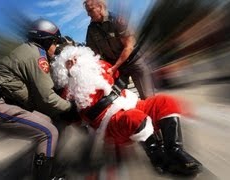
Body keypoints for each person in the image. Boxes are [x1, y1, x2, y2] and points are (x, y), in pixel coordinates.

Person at [51, 46, 202, 175]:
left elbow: (117, 75)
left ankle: (174, 150)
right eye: (69, 62)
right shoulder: (68, 92)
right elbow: (72, 119)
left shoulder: (102, 67)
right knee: (134, 118)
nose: (75, 62)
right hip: (110, 122)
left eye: (76, 57)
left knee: (164, 101)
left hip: (131, 103)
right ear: (64, 70)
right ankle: (160, 160)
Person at [0, 18, 76, 180]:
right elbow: (47, 98)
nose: (56, 48)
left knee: (48, 122)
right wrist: (70, 107)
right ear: (47, 41)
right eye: (55, 42)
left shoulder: (29, 51)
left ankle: (46, 167)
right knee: (48, 132)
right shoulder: (37, 56)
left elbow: (41, 95)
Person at [83, 0, 154, 99]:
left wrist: (114, 67)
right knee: (117, 101)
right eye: (87, 11)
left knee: (147, 97)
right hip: (116, 69)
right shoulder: (91, 29)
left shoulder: (117, 20)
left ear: (100, 7)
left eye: (90, 10)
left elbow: (128, 47)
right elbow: (92, 53)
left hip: (133, 62)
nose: (88, 14)